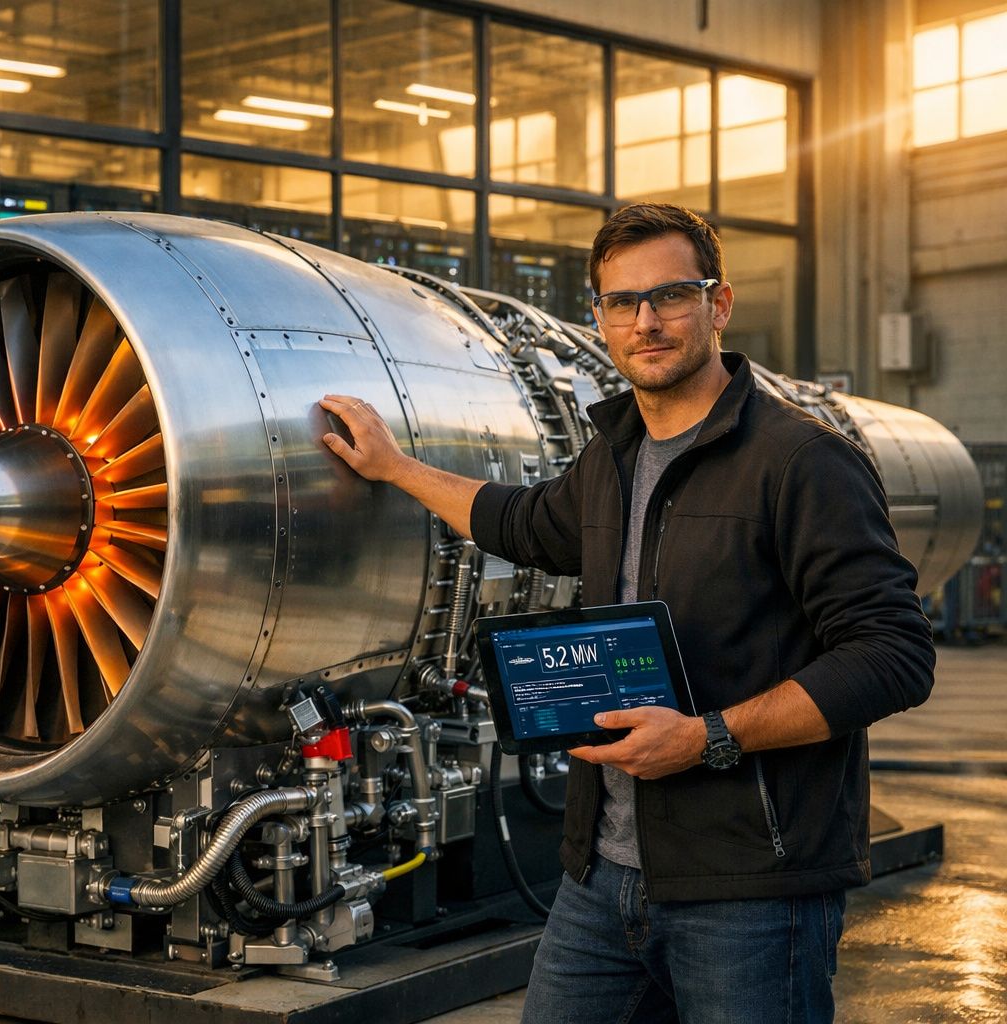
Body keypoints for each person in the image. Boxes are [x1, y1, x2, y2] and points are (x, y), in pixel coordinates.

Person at [318, 202, 933, 1023]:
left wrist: (708, 736)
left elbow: (893, 655)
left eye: (671, 295)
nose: (646, 321)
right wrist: (396, 467)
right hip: (601, 880)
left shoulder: (804, 463)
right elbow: (522, 520)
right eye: (621, 302)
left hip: (749, 886)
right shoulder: (613, 458)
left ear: (718, 304)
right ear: (599, 318)